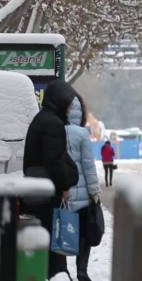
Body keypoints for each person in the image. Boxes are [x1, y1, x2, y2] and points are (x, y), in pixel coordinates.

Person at [23, 80, 79, 279]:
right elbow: (54, 160)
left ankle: (54, 272)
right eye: (69, 102)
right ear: (59, 100)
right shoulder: (52, 123)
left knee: (46, 236)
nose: (71, 106)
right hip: (47, 192)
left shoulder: (43, 119)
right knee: (53, 236)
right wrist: (64, 186)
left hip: (38, 190)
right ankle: (57, 273)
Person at [65, 94, 102, 281]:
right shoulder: (82, 134)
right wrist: (94, 191)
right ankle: (81, 270)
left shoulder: (57, 131)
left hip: (64, 193)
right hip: (82, 197)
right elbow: (88, 165)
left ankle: (62, 270)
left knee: (64, 229)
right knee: (85, 235)